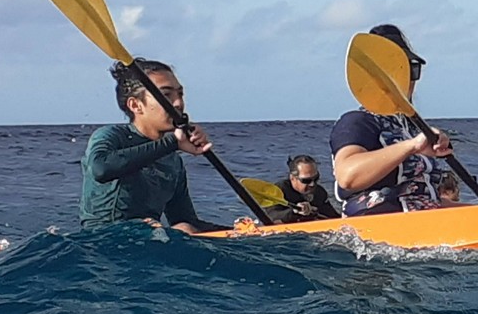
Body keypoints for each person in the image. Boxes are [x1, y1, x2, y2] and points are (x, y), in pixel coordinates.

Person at [79, 58, 229, 233]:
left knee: (185, 227)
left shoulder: (173, 160)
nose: (178, 103)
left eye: (180, 94)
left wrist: (242, 232)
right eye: (166, 95)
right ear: (136, 105)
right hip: (104, 241)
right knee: (184, 229)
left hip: (148, 241)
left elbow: (184, 219)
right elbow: (101, 169)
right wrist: (173, 141)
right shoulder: (112, 136)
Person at [329, 24, 454, 215]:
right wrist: (412, 146)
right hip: (374, 226)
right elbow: (347, 177)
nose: (408, 80)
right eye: (399, 70)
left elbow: (428, 201)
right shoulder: (357, 122)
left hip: (426, 220)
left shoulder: (410, 129)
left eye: (412, 70)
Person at [266, 155, 340, 223]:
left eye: (316, 178)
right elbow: (271, 216)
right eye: (306, 181)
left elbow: (334, 217)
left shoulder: (319, 192)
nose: (312, 184)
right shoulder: (277, 191)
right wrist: (294, 211)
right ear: (292, 178)